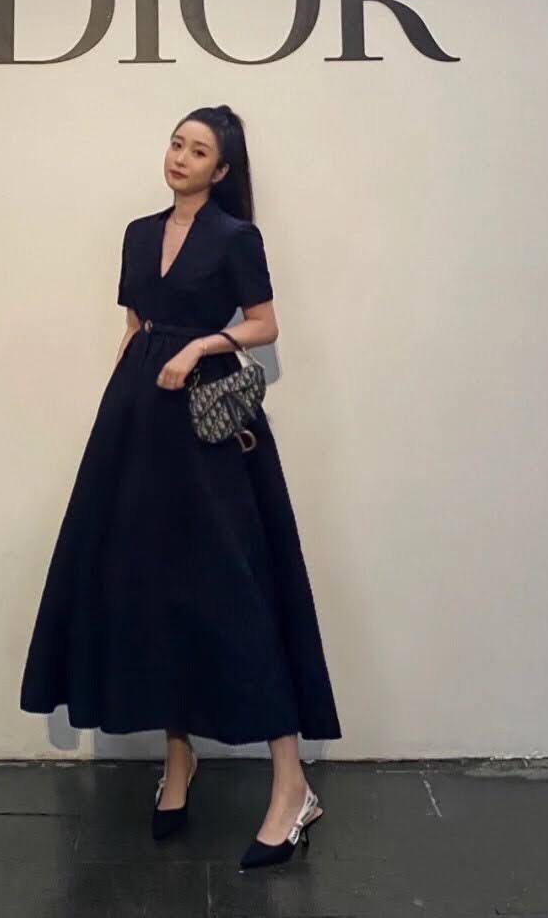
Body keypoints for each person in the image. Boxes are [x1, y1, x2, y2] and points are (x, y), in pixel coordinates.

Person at [20, 103, 341, 870]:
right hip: (138, 421)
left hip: (207, 428)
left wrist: (202, 344)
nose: (180, 157)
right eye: (176, 143)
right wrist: (119, 410)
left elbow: (265, 324)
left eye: (198, 151)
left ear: (221, 169)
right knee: (153, 585)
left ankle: (291, 784)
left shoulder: (235, 237)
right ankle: (178, 757)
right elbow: (136, 326)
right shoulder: (138, 233)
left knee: (240, 589)